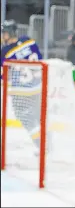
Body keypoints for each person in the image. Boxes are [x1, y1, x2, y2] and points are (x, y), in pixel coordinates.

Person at [1, 20, 44, 150]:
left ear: (9, 33)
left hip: (21, 92)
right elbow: (40, 58)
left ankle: (41, 146)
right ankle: (48, 144)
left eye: (4, 33)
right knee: (39, 118)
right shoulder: (28, 41)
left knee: (27, 120)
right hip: (38, 87)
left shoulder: (5, 51)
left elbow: (3, 75)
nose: (2, 36)